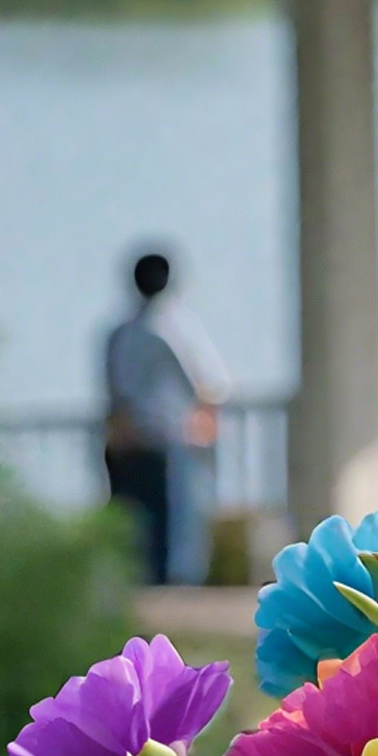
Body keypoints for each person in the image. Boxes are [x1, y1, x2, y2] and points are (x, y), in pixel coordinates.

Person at [103, 250, 226, 587]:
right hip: (166, 439)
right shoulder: (178, 326)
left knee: (157, 525)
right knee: (172, 524)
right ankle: (169, 587)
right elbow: (212, 383)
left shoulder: (122, 332)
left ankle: (165, 588)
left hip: (148, 438)